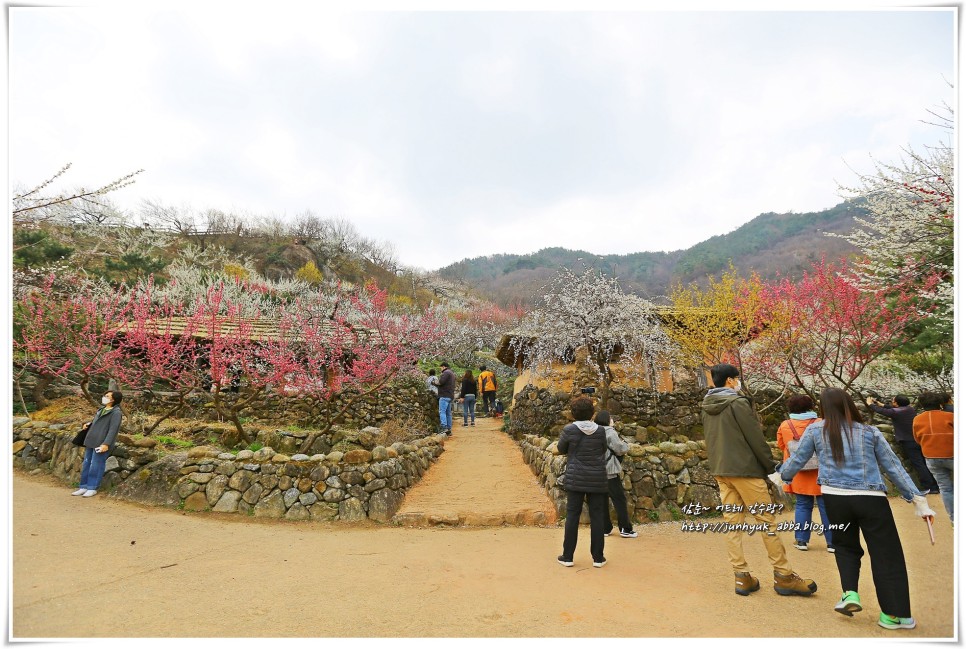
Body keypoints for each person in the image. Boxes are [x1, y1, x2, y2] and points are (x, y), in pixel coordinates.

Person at [781, 388, 935, 630]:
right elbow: (893, 467)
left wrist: (781, 477)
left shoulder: (815, 430)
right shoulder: (869, 432)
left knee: (845, 547)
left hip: (834, 498)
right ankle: (894, 616)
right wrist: (917, 500)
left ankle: (850, 594)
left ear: (823, 408)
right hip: (870, 498)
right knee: (886, 553)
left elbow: (798, 459)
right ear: (849, 405)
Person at [701, 363, 817, 597]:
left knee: (733, 524)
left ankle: (741, 576)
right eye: (737, 378)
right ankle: (784, 575)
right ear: (731, 381)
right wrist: (770, 466)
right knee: (766, 521)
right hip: (745, 470)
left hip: (721, 470)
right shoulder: (738, 403)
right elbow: (754, 437)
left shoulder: (706, 405)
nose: (738, 382)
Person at [775, 394, 834, 553]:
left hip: (798, 471)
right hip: (822, 471)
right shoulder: (822, 422)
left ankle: (801, 540)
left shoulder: (785, 425)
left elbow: (782, 445)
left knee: (802, 505)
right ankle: (832, 542)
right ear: (811, 406)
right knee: (826, 506)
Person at [557, 396, 609, 568]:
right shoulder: (601, 431)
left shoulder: (569, 430)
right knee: (597, 517)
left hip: (576, 478)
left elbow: (561, 448)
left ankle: (568, 556)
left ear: (573, 413)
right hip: (596, 479)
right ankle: (598, 558)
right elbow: (603, 449)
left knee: (572, 516)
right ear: (592, 413)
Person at [866, 394, 939, 494]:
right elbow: (892, 409)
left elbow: (885, 412)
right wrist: (880, 404)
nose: (892, 402)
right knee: (924, 462)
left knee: (919, 464)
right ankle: (935, 485)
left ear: (896, 403)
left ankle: (930, 487)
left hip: (908, 441)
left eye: (893, 401)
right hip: (917, 440)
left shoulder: (897, 412)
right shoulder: (909, 409)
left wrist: (871, 405)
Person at [72, 390, 124, 498]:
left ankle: (92, 487)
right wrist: (88, 424)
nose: (104, 397)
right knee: (87, 463)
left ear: (113, 399)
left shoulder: (116, 413)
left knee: (96, 465)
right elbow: (96, 422)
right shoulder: (101, 409)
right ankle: (83, 486)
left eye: (107, 396)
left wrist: (106, 443)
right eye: (105, 395)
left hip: (101, 442)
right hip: (91, 440)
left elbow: (113, 430)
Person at [594, 410, 637, 538]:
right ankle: (625, 528)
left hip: (597, 471)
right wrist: (626, 445)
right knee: (619, 499)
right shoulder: (609, 432)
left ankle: (605, 528)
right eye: (610, 418)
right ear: (607, 420)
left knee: (602, 500)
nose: (612, 420)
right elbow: (619, 449)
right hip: (610, 471)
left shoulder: (594, 431)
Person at [913, 392, 954, 524]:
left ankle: (954, 519)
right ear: (941, 403)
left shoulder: (917, 419)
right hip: (952, 454)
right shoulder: (950, 416)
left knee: (946, 488)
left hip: (931, 457)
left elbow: (917, 439)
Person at [437, 362, 455, 435]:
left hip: (444, 395)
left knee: (442, 412)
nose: (440, 369)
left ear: (443, 366)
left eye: (440, 367)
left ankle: (444, 427)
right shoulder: (452, 373)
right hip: (450, 395)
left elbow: (441, 382)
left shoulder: (446, 373)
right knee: (448, 413)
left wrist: (434, 383)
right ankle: (449, 429)